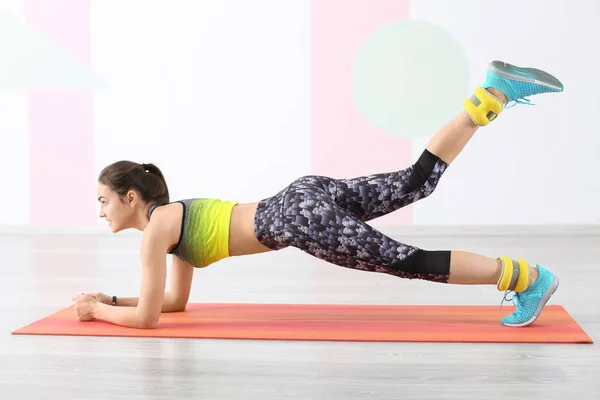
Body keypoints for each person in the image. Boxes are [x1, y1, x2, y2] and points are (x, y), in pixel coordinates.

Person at [73, 60, 564, 329]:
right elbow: (174, 302)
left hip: (297, 221)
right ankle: (491, 96)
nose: (100, 211)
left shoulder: (155, 233)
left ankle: (528, 278)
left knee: (407, 260)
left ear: (132, 197)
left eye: (103, 200)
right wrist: (110, 296)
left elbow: (149, 319)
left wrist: (97, 311)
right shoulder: (172, 227)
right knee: (416, 181)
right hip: (301, 196)